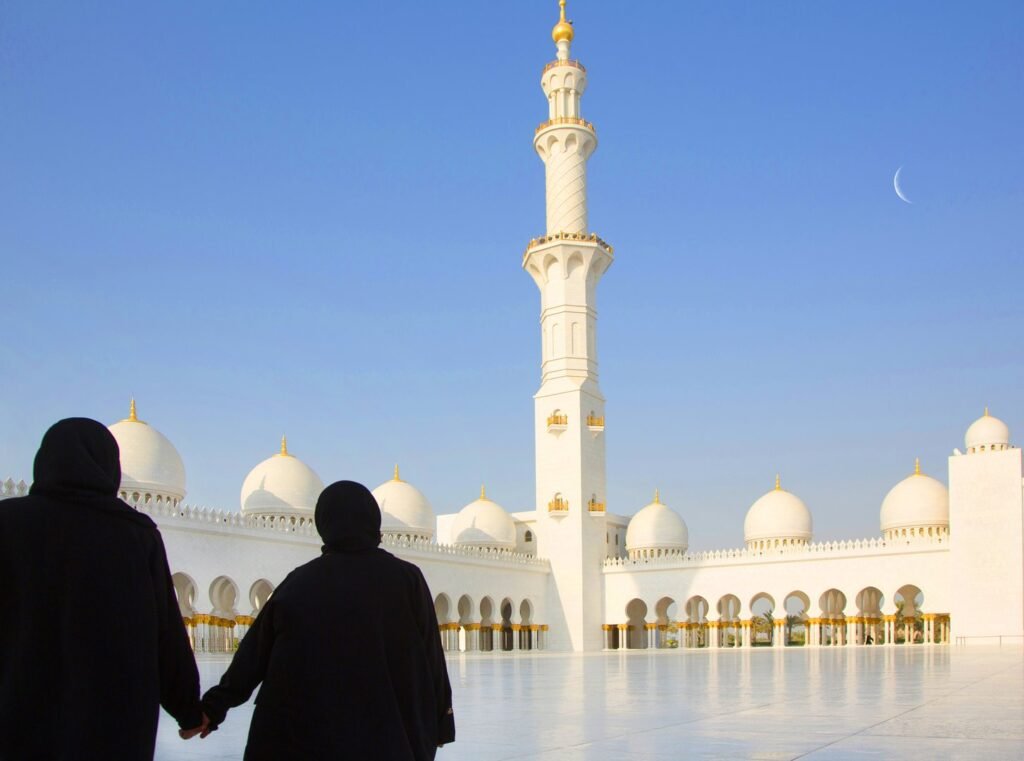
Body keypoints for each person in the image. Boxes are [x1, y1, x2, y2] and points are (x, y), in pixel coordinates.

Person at [200, 480, 455, 760]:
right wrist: (443, 722)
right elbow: (432, 655)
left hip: (305, 738)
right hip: (387, 735)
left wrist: (212, 707)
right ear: (373, 520)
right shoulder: (407, 579)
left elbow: (253, 655)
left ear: (323, 523)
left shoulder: (299, 582)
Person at [0, 417, 205, 760]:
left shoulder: (6, 523)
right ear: (110, 466)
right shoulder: (137, 534)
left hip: (18, 717)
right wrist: (189, 711)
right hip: (112, 725)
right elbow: (166, 634)